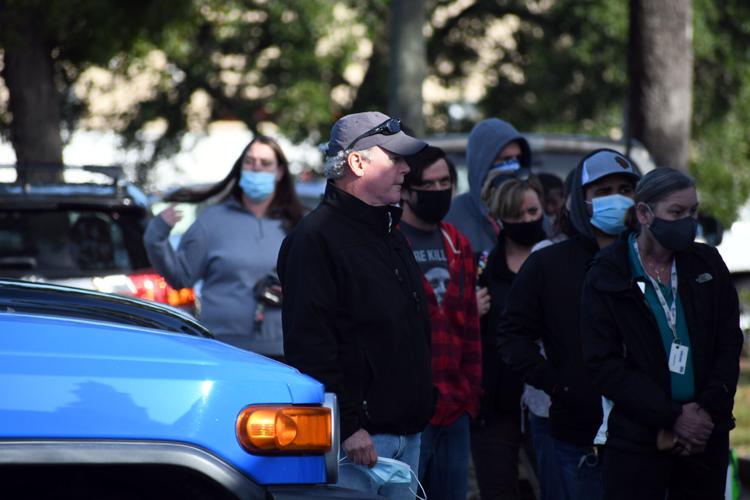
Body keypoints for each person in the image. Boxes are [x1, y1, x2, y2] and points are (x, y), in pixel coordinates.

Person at [277, 111, 433, 499]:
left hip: (404, 432)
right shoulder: (315, 239)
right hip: (359, 444)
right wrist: (347, 427)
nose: (405, 168)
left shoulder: (388, 231)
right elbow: (311, 347)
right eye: (394, 158)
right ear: (357, 162)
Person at [580, 168, 743, 499]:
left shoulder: (706, 264)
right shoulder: (608, 274)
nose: (687, 221)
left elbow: (728, 342)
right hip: (637, 441)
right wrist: (671, 416)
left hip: (704, 435)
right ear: (644, 213)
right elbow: (604, 364)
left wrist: (703, 412)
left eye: (693, 211)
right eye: (677, 212)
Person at [497, 149, 641, 499]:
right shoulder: (548, 263)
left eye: (626, 189)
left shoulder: (654, 260)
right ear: (581, 200)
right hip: (574, 439)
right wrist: (557, 385)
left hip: (646, 437)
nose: (617, 200)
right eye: (603, 192)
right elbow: (513, 337)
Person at [143, 135, 304, 358]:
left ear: (279, 173)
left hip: (282, 352)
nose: (256, 169)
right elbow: (180, 277)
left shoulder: (297, 225)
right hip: (223, 350)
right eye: (250, 162)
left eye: (265, 163)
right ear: (240, 168)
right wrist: (156, 236)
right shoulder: (212, 221)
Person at [398, 145, 482, 500]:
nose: (437, 191)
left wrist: (470, 396)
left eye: (444, 182)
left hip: (455, 406)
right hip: (411, 409)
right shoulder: (390, 243)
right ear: (405, 189)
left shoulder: (457, 243)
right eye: (427, 185)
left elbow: (470, 328)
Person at [473, 175, 547, 499]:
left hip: (549, 400)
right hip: (496, 403)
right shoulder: (483, 267)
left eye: (533, 212)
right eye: (517, 216)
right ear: (499, 219)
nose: (527, 221)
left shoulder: (558, 259)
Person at [444, 118, 532, 257]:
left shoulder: (532, 210)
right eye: (506, 159)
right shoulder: (453, 216)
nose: (514, 166)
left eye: (518, 158)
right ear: (483, 164)